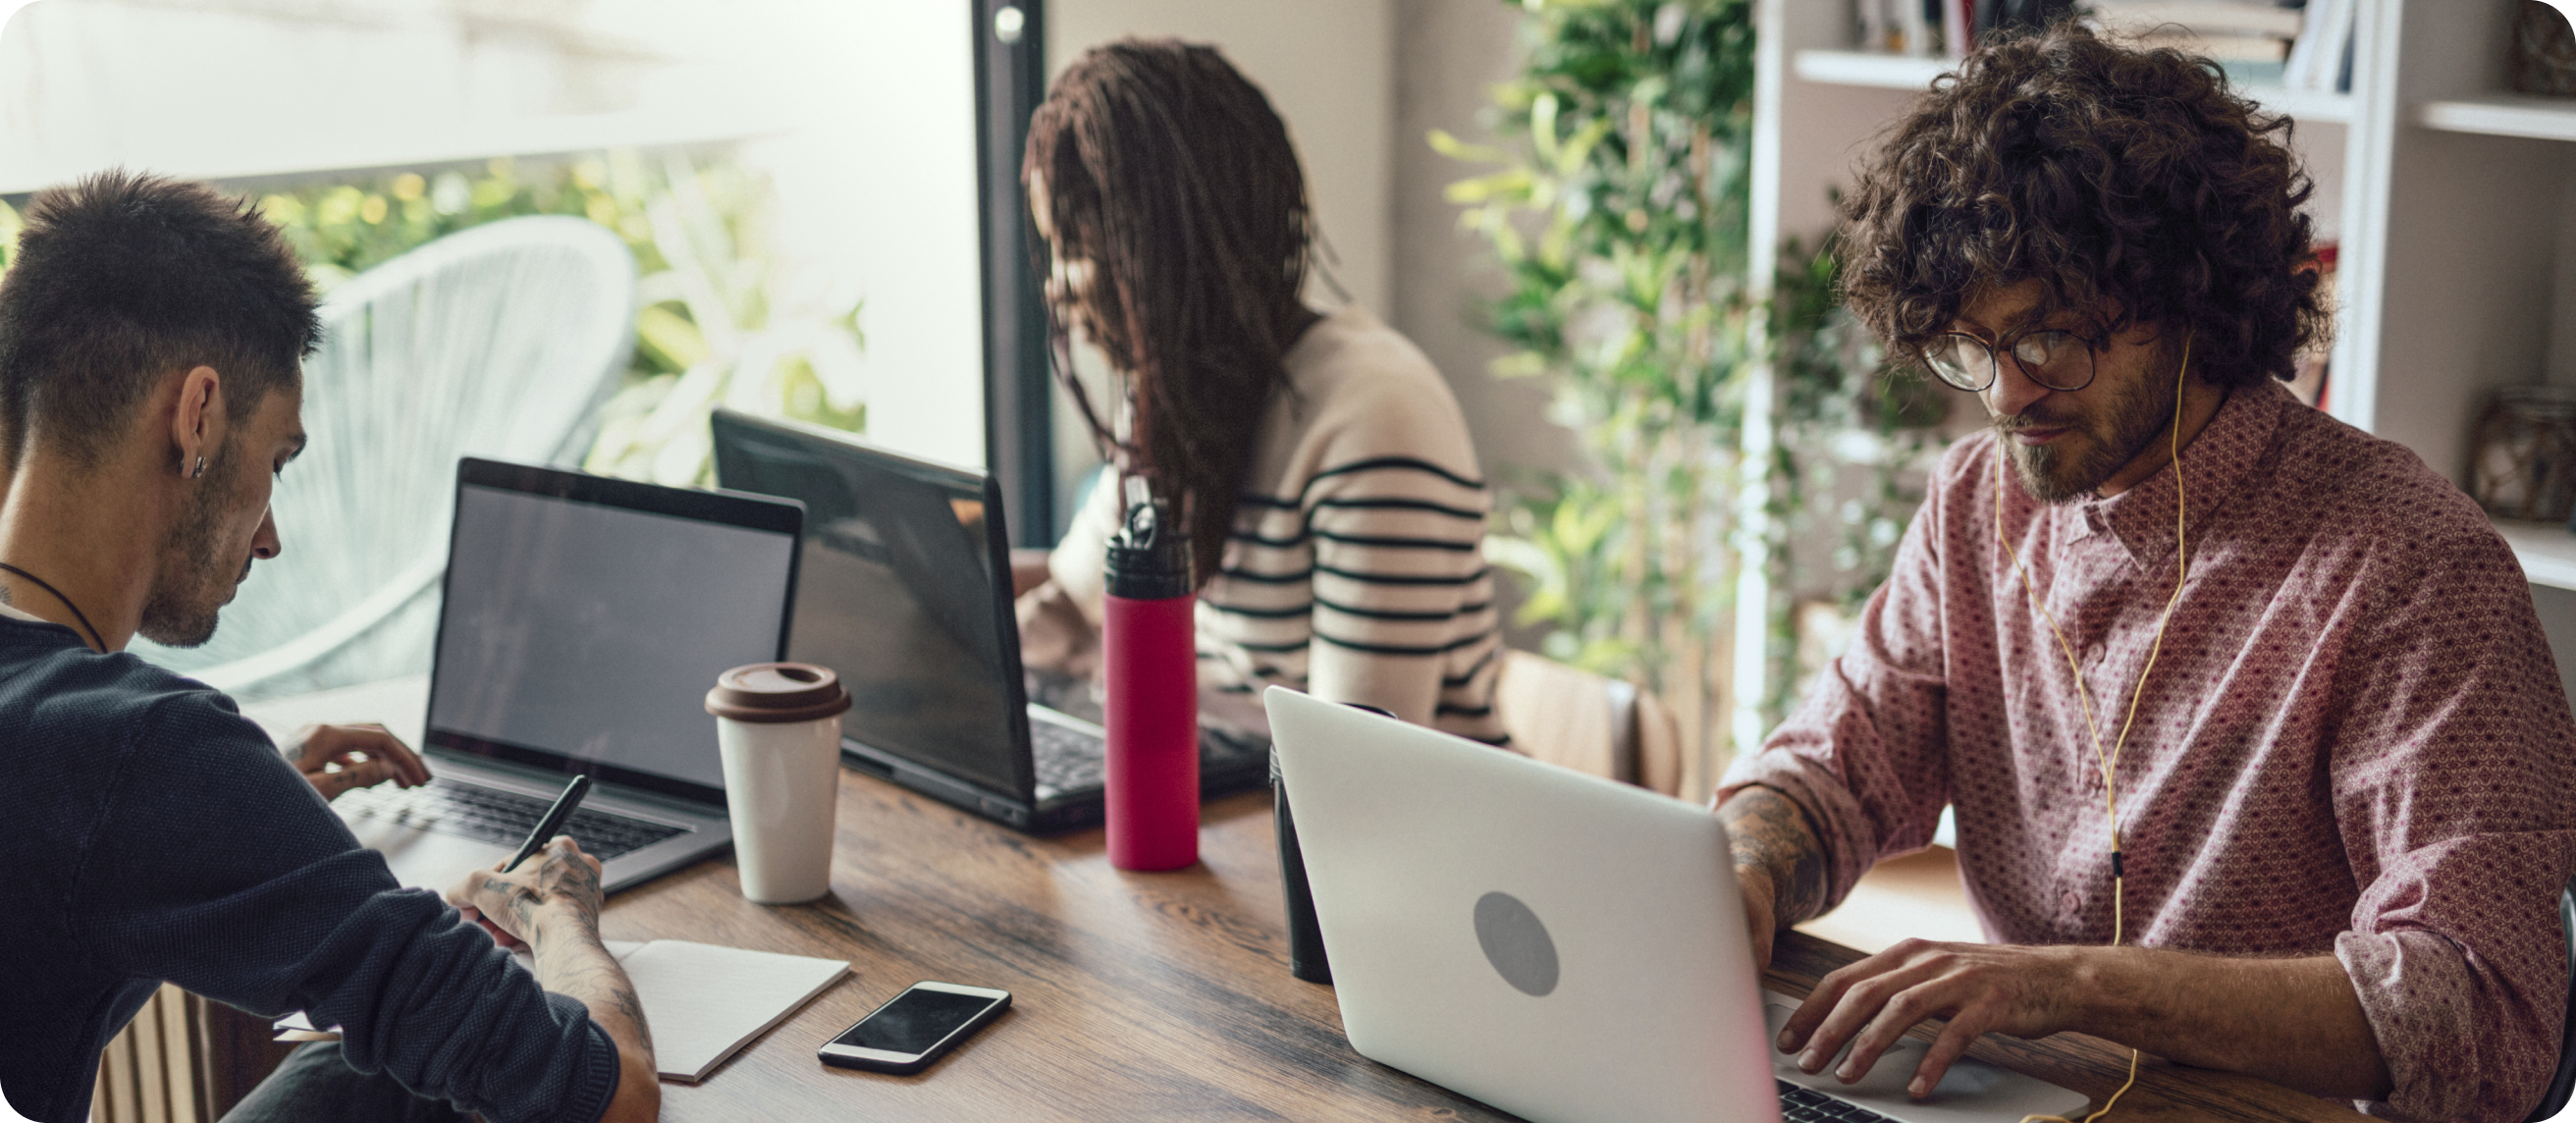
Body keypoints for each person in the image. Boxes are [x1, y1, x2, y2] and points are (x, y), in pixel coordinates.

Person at [1715, 24, 2576, 1123]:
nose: (2005, 397)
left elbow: (2476, 1008)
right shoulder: (1976, 504)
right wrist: (1737, 875)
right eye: (1972, 348)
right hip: (2035, 1098)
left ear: (2190, 294)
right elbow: (1832, 769)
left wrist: (2068, 985)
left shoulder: (2410, 566)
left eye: (2049, 339)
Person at [0, 172, 658, 1123]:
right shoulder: (138, 750)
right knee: (410, 1078)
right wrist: (560, 921)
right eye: (276, 461)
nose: (269, 537)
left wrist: (245, 818)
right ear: (196, 418)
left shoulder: (97, 759)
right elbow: (609, 1096)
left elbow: (66, 887)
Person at [1011, 39, 1509, 746]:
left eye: (1074, 248)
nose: (1055, 284)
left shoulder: (1375, 417)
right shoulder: (1171, 403)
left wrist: (1108, 663)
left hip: (1418, 848)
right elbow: (1066, 599)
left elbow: (1356, 765)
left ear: (1161, 250)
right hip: (1241, 830)